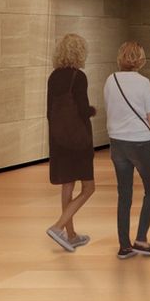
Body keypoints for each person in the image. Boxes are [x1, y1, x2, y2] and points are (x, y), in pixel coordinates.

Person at [105, 41, 150, 260]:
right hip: (140, 142)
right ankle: (141, 238)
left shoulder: (111, 80)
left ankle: (124, 245)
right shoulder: (143, 83)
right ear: (140, 59)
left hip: (117, 143)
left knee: (124, 194)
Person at [45, 33, 98, 252]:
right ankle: (58, 227)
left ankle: (71, 234)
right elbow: (83, 110)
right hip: (78, 140)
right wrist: (93, 111)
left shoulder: (53, 76)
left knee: (68, 184)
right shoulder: (79, 77)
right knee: (89, 187)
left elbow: (50, 111)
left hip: (58, 140)